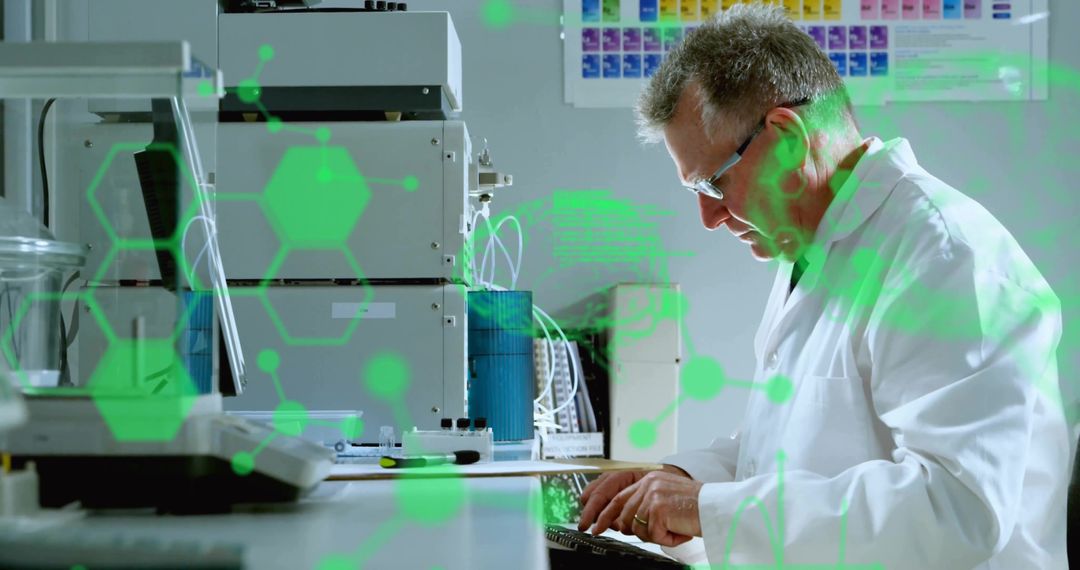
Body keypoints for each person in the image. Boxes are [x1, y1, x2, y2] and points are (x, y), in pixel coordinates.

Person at [576, 3, 1072, 568]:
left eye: (714, 184)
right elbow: (791, 451)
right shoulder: (815, 250)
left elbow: (955, 511)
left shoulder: (945, 257)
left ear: (787, 141)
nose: (709, 218)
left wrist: (710, 508)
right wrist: (684, 480)